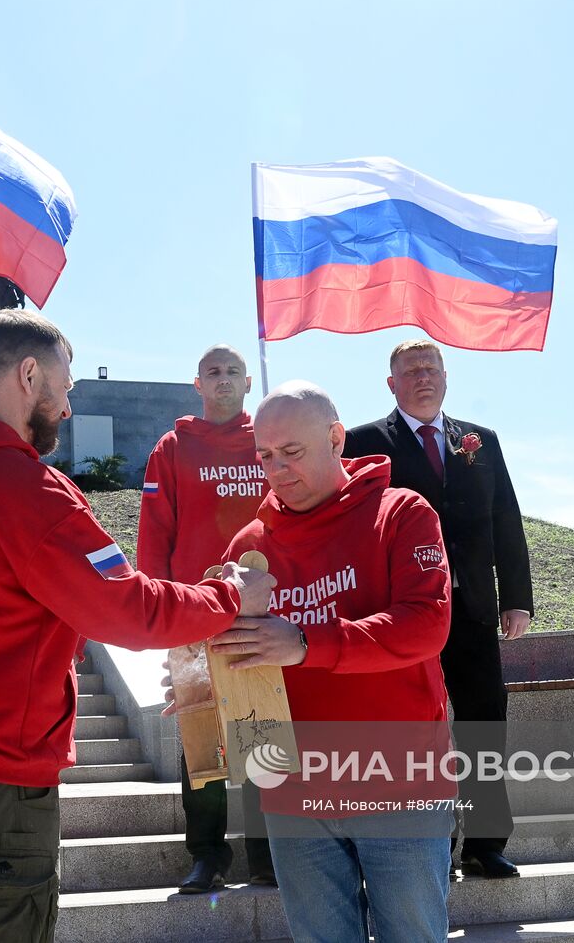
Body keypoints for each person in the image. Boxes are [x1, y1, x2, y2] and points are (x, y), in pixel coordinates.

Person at [0, 310, 274, 943]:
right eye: (65, 383)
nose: (67, 402)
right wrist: (230, 595)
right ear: (29, 375)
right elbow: (129, 611)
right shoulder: (28, 490)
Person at [211, 381, 453, 943]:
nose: (276, 469)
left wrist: (303, 642)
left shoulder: (402, 513)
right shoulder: (249, 545)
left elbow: (426, 625)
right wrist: (205, 683)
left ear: (336, 438)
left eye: (291, 452)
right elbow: (234, 646)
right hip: (296, 788)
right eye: (264, 456)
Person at [343, 339, 532, 879]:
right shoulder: (361, 442)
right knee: (412, 732)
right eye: (410, 370)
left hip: (471, 607)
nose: (423, 377)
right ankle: (429, 844)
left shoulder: (480, 441)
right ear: (391, 383)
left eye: (431, 368)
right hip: (400, 613)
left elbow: (506, 521)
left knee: (483, 723)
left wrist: (516, 598)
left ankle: (485, 843)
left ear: (446, 377)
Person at [138, 344, 274, 892]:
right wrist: (156, 606)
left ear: (247, 383)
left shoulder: (267, 442)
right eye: (213, 373)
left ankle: (267, 852)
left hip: (260, 610)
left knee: (263, 731)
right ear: (197, 384)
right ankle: (208, 854)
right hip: (192, 614)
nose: (223, 380)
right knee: (202, 737)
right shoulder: (172, 448)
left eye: (233, 372)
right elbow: (155, 534)